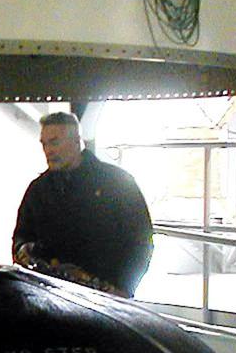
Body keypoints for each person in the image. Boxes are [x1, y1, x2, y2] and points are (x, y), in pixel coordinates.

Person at [12, 111, 153, 296]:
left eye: (54, 142)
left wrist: (124, 288)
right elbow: (21, 238)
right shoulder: (37, 190)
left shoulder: (118, 182)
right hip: (51, 296)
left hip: (106, 297)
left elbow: (141, 241)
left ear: (77, 142)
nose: (48, 150)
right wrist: (24, 250)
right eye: (44, 144)